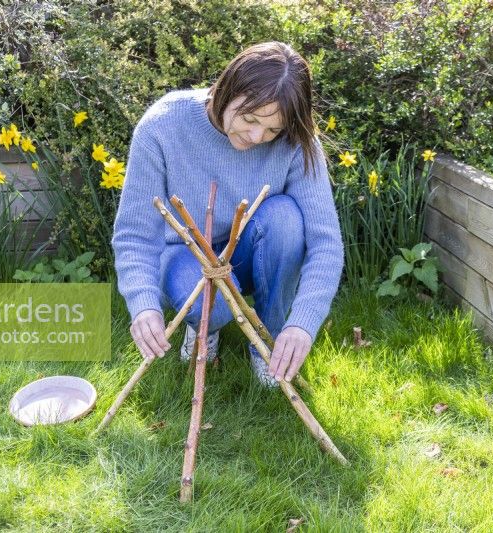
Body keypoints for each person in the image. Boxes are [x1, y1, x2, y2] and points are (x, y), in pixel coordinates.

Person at [112, 41, 343, 387]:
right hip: (183, 256)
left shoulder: (297, 141)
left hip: (249, 255)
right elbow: (134, 234)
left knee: (285, 218)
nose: (255, 136)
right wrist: (143, 304)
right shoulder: (163, 125)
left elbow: (326, 243)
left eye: (272, 130)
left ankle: (271, 340)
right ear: (226, 87)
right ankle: (204, 327)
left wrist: (302, 324)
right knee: (214, 304)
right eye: (249, 119)